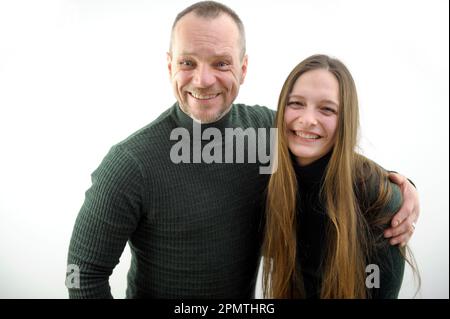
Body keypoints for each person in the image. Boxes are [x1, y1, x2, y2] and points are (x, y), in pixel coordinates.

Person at [66, 1, 419, 298]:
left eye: (221, 63)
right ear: (170, 65)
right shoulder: (131, 163)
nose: (203, 80)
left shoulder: (265, 131)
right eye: (188, 62)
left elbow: (328, 146)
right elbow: (83, 274)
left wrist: (403, 189)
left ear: (243, 68)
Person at [262, 54, 419, 299]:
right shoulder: (267, 173)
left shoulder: (377, 197)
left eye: (327, 109)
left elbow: (379, 290)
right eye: (296, 103)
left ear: (345, 118)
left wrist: (403, 187)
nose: (307, 120)